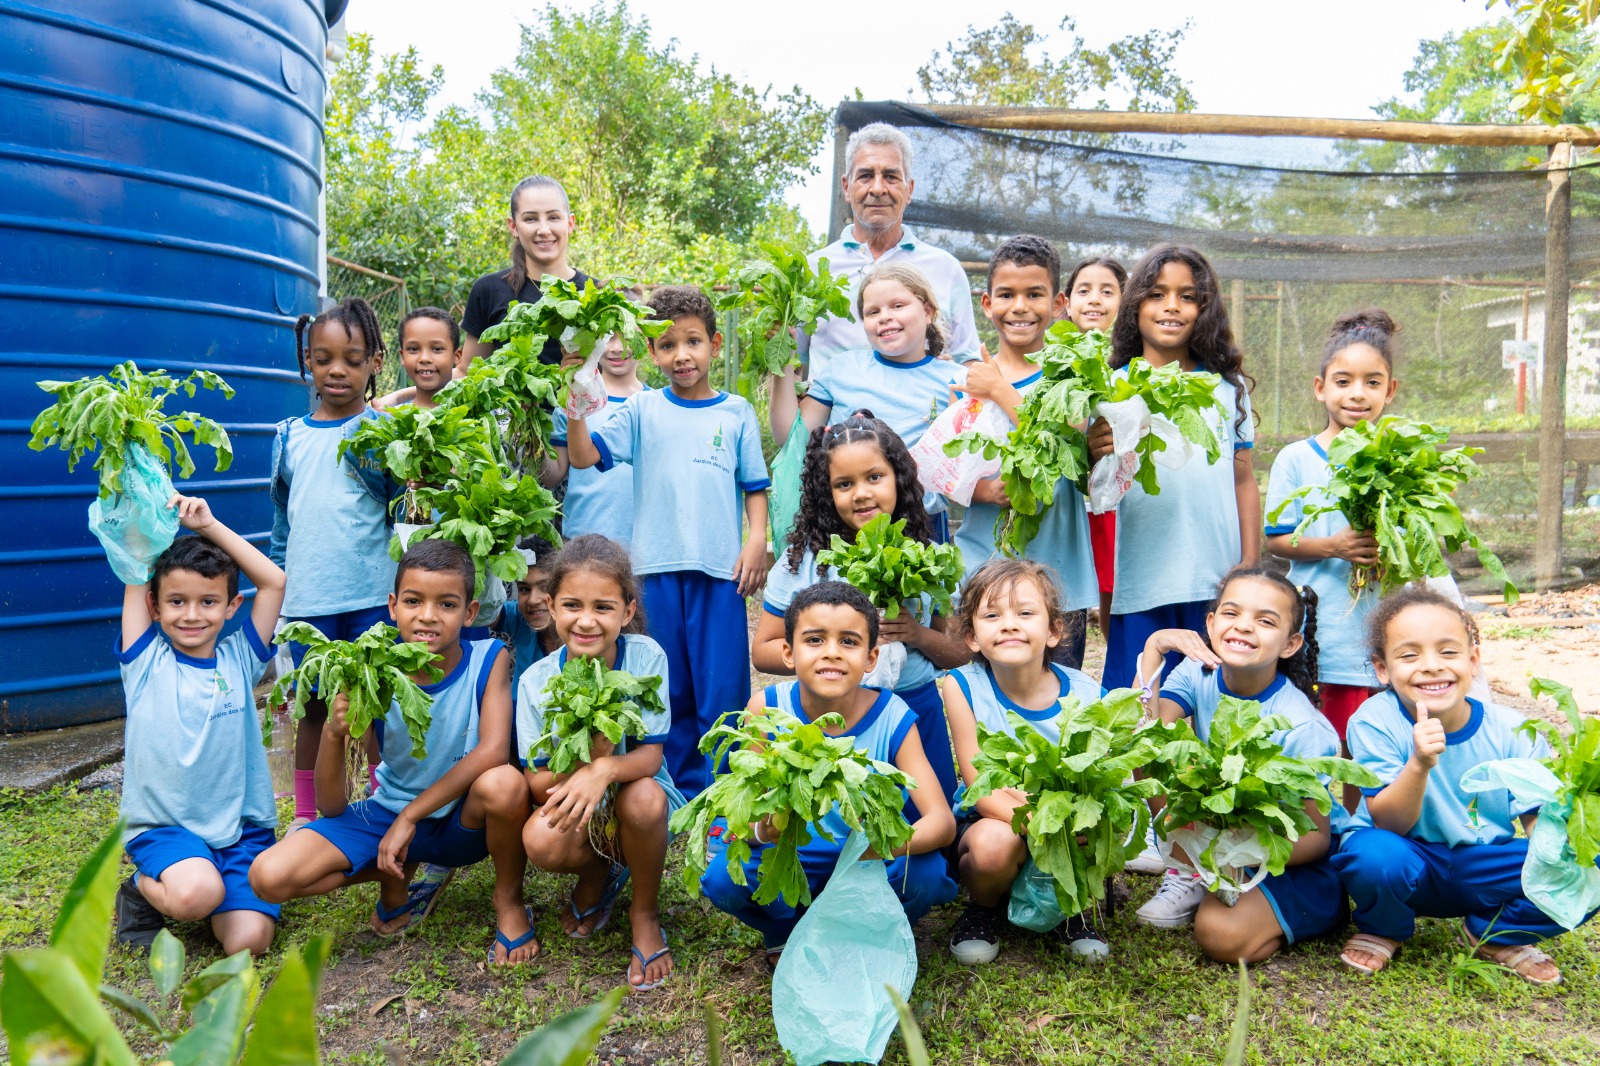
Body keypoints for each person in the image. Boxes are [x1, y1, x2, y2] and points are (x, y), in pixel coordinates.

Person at [248, 540, 537, 965]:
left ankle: (509, 902)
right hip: (387, 819)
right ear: (392, 606)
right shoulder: (369, 670)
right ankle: (395, 873)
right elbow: (330, 807)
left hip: (462, 822)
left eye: (447, 604)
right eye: (414, 601)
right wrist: (332, 732)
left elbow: (493, 752)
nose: (427, 616)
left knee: (505, 783)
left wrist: (409, 816)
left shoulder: (488, 658)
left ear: (470, 613)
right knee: (267, 877)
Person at [563, 286, 770, 796]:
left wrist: (757, 539)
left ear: (715, 345)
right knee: (668, 685)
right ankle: (677, 792)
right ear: (651, 352)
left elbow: (755, 487)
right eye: (668, 344)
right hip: (654, 570)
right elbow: (586, 456)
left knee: (722, 687)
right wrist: (574, 404)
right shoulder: (641, 410)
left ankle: (725, 791)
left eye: (693, 341)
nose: (682, 355)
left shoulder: (737, 412)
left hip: (720, 572)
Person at [1331, 585, 1593, 984]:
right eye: (1409, 654)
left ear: (1473, 661)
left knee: (1587, 865)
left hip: (1482, 863)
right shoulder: (1375, 720)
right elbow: (1389, 823)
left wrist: (1563, 850)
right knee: (1372, 855)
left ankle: (1494, 934)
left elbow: (1538, 819)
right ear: (1382, 669)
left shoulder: (1511, 730)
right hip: (1406, 854)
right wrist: (1419, 763)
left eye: (1448, 651)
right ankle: (1385, 926)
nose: (1432, 665)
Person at [701, 581, 958, 968]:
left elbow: (941, 822)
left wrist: (875, 849)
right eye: (815, 640)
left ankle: (861, 930)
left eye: (849, 642)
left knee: (927, 874)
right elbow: (739, 817)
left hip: (869, 858)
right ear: (788, 652)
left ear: (872, 657)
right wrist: (762, 830)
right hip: (791, 857)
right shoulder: (766, 710)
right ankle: (784, 928)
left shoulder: (893, 715)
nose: (832, 653)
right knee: (723, 879)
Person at [752, 411, 970, 803]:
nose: (862, 493)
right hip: (832, 714)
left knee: (928, 832)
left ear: (899, 479)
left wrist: (917, 634)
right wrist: (827, 649)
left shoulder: (932, 558)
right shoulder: (803, 562)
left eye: (874, 477)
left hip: (916, 706)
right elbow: (764, 651)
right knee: (841, 831)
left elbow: (960, 652)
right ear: (826, 493)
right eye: (844, 484)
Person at [1134, 567, 1345, 965]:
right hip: (1225, 842)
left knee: (1218, 935)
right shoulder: (1200, 671)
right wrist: (1153, 649)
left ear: (1290, 643)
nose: (1244, 627)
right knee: (1148, 751)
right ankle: (1189, 873)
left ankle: (1314, 908)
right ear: (1210, 624)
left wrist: (1230, 856)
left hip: (1283, 856)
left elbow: (1315, 838)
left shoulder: (1301, 725)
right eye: (1231, 614)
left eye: (1265, 621)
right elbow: (1143, 731)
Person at [113, 495, 287, 955]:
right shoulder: (144, 660)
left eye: (208, 601)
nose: (192, 614)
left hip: (240, 832)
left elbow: (273, 582)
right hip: (166, 828)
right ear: (154, 606)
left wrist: (209, 525)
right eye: (177, 601)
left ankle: (210, 882)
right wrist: (148, 527)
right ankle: (141, 890)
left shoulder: (241, 659)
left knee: (249, 945)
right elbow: (136, 571)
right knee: (196, 895)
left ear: (232, 606)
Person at [517, 535, 684, 992]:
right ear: (551, 607)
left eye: (604, 608)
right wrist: (585, 764)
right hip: (572, 798)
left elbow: (650, 756)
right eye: (572, 605)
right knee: (541, 840)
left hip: (636, 791)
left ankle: (644, 913)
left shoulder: (646, 658)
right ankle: (599, 871)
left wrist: (604, 767)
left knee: (646, 800)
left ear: (628, 611)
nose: (586, 621)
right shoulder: (535, 681)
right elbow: (536, 781)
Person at [1098, 244, 1259, 693]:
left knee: (1215, 704)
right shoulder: (1110, 386)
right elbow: (1095, 487)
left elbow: (1243, 479)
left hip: (1217, 578)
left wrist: (1248, 563)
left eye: (1187, 296)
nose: (1172, 306)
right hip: (1142, 578)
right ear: (1134, 306)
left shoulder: (1228, 386)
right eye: (1156, 293)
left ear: (1205, 309)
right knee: (1137, 711)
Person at [270, 298, 399, 832]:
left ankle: (379, 801)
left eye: (352, 357)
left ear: (375, 362)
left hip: (373, 597)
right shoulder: (287, 437)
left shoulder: (385, 434)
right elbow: (282, 525)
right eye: (323, 359)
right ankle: (305, 815)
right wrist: (275, 599)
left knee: (373, 706)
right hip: (308, 603)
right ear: (307, 362)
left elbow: (401, 513)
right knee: (313, 709)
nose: (337, 370)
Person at [942, 559, 1110, 965]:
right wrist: (1041, 824)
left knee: (1102, 824)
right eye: (992, 615)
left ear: (1053, 631)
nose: (1009, 624)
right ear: (972, 636)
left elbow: (1096, 780)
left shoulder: (1086, 693)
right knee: (992, 846)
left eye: (1026, 613)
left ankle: (1073, 909)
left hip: (1067, 821)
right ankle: (985, 907)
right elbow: (979, 783)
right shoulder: (962, 685)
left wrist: (1068, 823)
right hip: (997, 815)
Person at [949, 235, 1098, 669]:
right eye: (1007, 295)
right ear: (987, 303)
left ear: (1058, 304)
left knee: (1059, 696)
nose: (1020, 307)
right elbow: (945, 479)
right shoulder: (965, 382)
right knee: (988, 696)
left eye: (1034, 294)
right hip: (984, 564)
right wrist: (987, 492)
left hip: (1060, 571)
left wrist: (999, 390)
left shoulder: (1073, 371)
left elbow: (1070, 446)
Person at [1264, 309, 1400, 741]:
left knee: (1375, 750)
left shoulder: (1401, 461)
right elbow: (1277, 541)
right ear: (1321, 389)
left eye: (1372, 383)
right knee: (1323, 744)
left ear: (1390, 391)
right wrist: (1334, 547)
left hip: (1382, 628)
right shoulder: (1296, 459)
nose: (1357, 395)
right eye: (1344, 382)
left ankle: (1364, 813)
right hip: (1326, 634)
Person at [770, 263, 967, 540]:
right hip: (847, 526)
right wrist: (782, 361)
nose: (884, 317)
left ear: (927, 311)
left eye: (897, 306)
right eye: (872, 312)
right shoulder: (842, 370)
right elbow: (788, 437)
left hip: (921, 527)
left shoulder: (958, 380)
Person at [800, 123, 979, 377]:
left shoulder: (945, 269)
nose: (877, 188)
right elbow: (790, 365)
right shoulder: (813, 270)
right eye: (865, 176)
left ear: (910, 190)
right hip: (831, 417)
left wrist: (945, 371)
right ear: (846, 188)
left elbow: (969, 361)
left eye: (891, 176)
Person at [460, 175, 589, 369]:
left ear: (570, 224)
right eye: (531, 219)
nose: (544, 229)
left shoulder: (596, 295)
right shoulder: (488, 291)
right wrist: (408, 396)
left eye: (553, 217)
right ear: (513, 227)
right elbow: (468, 373)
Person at [1063, 256, 1127, 639]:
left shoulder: (1132, 363)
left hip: (1118, 499)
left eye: (1108, 291)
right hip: (1073, 498)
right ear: (1066, 304)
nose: (1094, 300)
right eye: (1083, 291)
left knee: (1113, 588)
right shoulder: (1056, 360)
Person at [544, 333, 648, 545]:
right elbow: (552, 476)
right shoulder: (570, 400)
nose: (617, 348)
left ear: (646, 342)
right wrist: (529, 421)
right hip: (582, 542)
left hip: (641, 545)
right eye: (608, 338)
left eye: (627, 337)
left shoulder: (655, 405)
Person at [374, 307, 464, 410]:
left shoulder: (476, 413)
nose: (424, 358)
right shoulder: (389, 419)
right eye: (413, 349)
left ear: (456, 356)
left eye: (437, 349)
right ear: (403, 357)